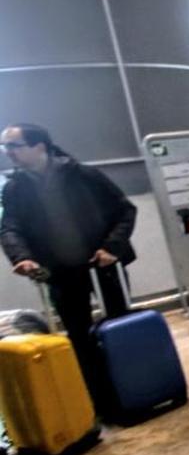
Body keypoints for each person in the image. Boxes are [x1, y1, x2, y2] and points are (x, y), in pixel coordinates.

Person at [1, 123, 137, 416]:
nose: (8, 152)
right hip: (60, 272)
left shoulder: (84, 175)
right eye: (6, 147)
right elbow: (10, 228)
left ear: (39, 146)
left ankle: (134, 386)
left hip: (103, 264)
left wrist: (112, 248)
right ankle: (100, 400)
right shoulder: (15, 188)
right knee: (78, 336)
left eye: (14, 146)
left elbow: (125, 210)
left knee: (119, 325)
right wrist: (21, 257)